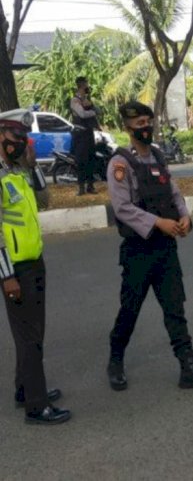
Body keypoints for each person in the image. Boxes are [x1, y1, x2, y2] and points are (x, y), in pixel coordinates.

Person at [106, 101, 193, 392]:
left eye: (148, 122)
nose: (145, 127)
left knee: (175, 308)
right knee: (130, 309)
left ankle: (188, 367)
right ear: (127, 128)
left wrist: (184, 216)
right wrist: (158, 222)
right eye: (139, 123)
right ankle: (115, 359)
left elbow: (173, 191)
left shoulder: (157, 156)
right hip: (138, 252)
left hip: (165, 249)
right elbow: (122, 208)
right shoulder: (120, 163)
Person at [0, 109, 71, 425]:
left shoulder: (17, 172)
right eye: (18, 139)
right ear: (2, 139)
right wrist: (7, 276)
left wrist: (33, 166)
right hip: (16, 270)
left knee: (33, 332)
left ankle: (24, 389)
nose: (23, 144)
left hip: (34, 262)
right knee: (30, 337)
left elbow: (45, 201)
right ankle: (36, 405)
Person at [70, 76, 100, 196]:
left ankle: (90, 186)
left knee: (91, 160)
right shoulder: (75, 100)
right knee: (81, 161)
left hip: (89, 133)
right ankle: (81, 188)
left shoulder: (87, 99)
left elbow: (98, 110)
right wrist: (93, 111)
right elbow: (82, 114)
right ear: (81, 85)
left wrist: (93, 107)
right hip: (80, 134)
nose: (88, 87)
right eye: (86, 84)